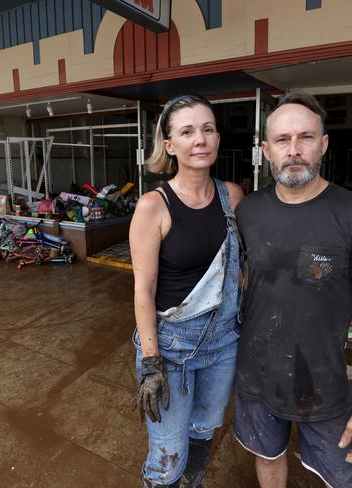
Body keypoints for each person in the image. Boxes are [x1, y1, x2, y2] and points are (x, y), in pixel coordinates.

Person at [233, 91, 352, 488]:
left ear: (323, 144)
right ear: (266, 151)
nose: (294, 151)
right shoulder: (249, 212)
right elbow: (242, 281)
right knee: (268, 459)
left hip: (323, 385)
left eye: (305, 138)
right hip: (256, 378)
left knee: (341, 478)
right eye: (282, 141)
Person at [129, 94, 244, 488]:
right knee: (167, 452)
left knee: (203, 432)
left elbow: (236, 270)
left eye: (208, 129)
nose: (200, 139)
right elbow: (143, 291)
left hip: (224, 344)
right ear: (169, 145)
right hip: (171, 349)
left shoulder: (232, 196)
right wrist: (150, 361)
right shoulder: (153, 206)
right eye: (187, 131)